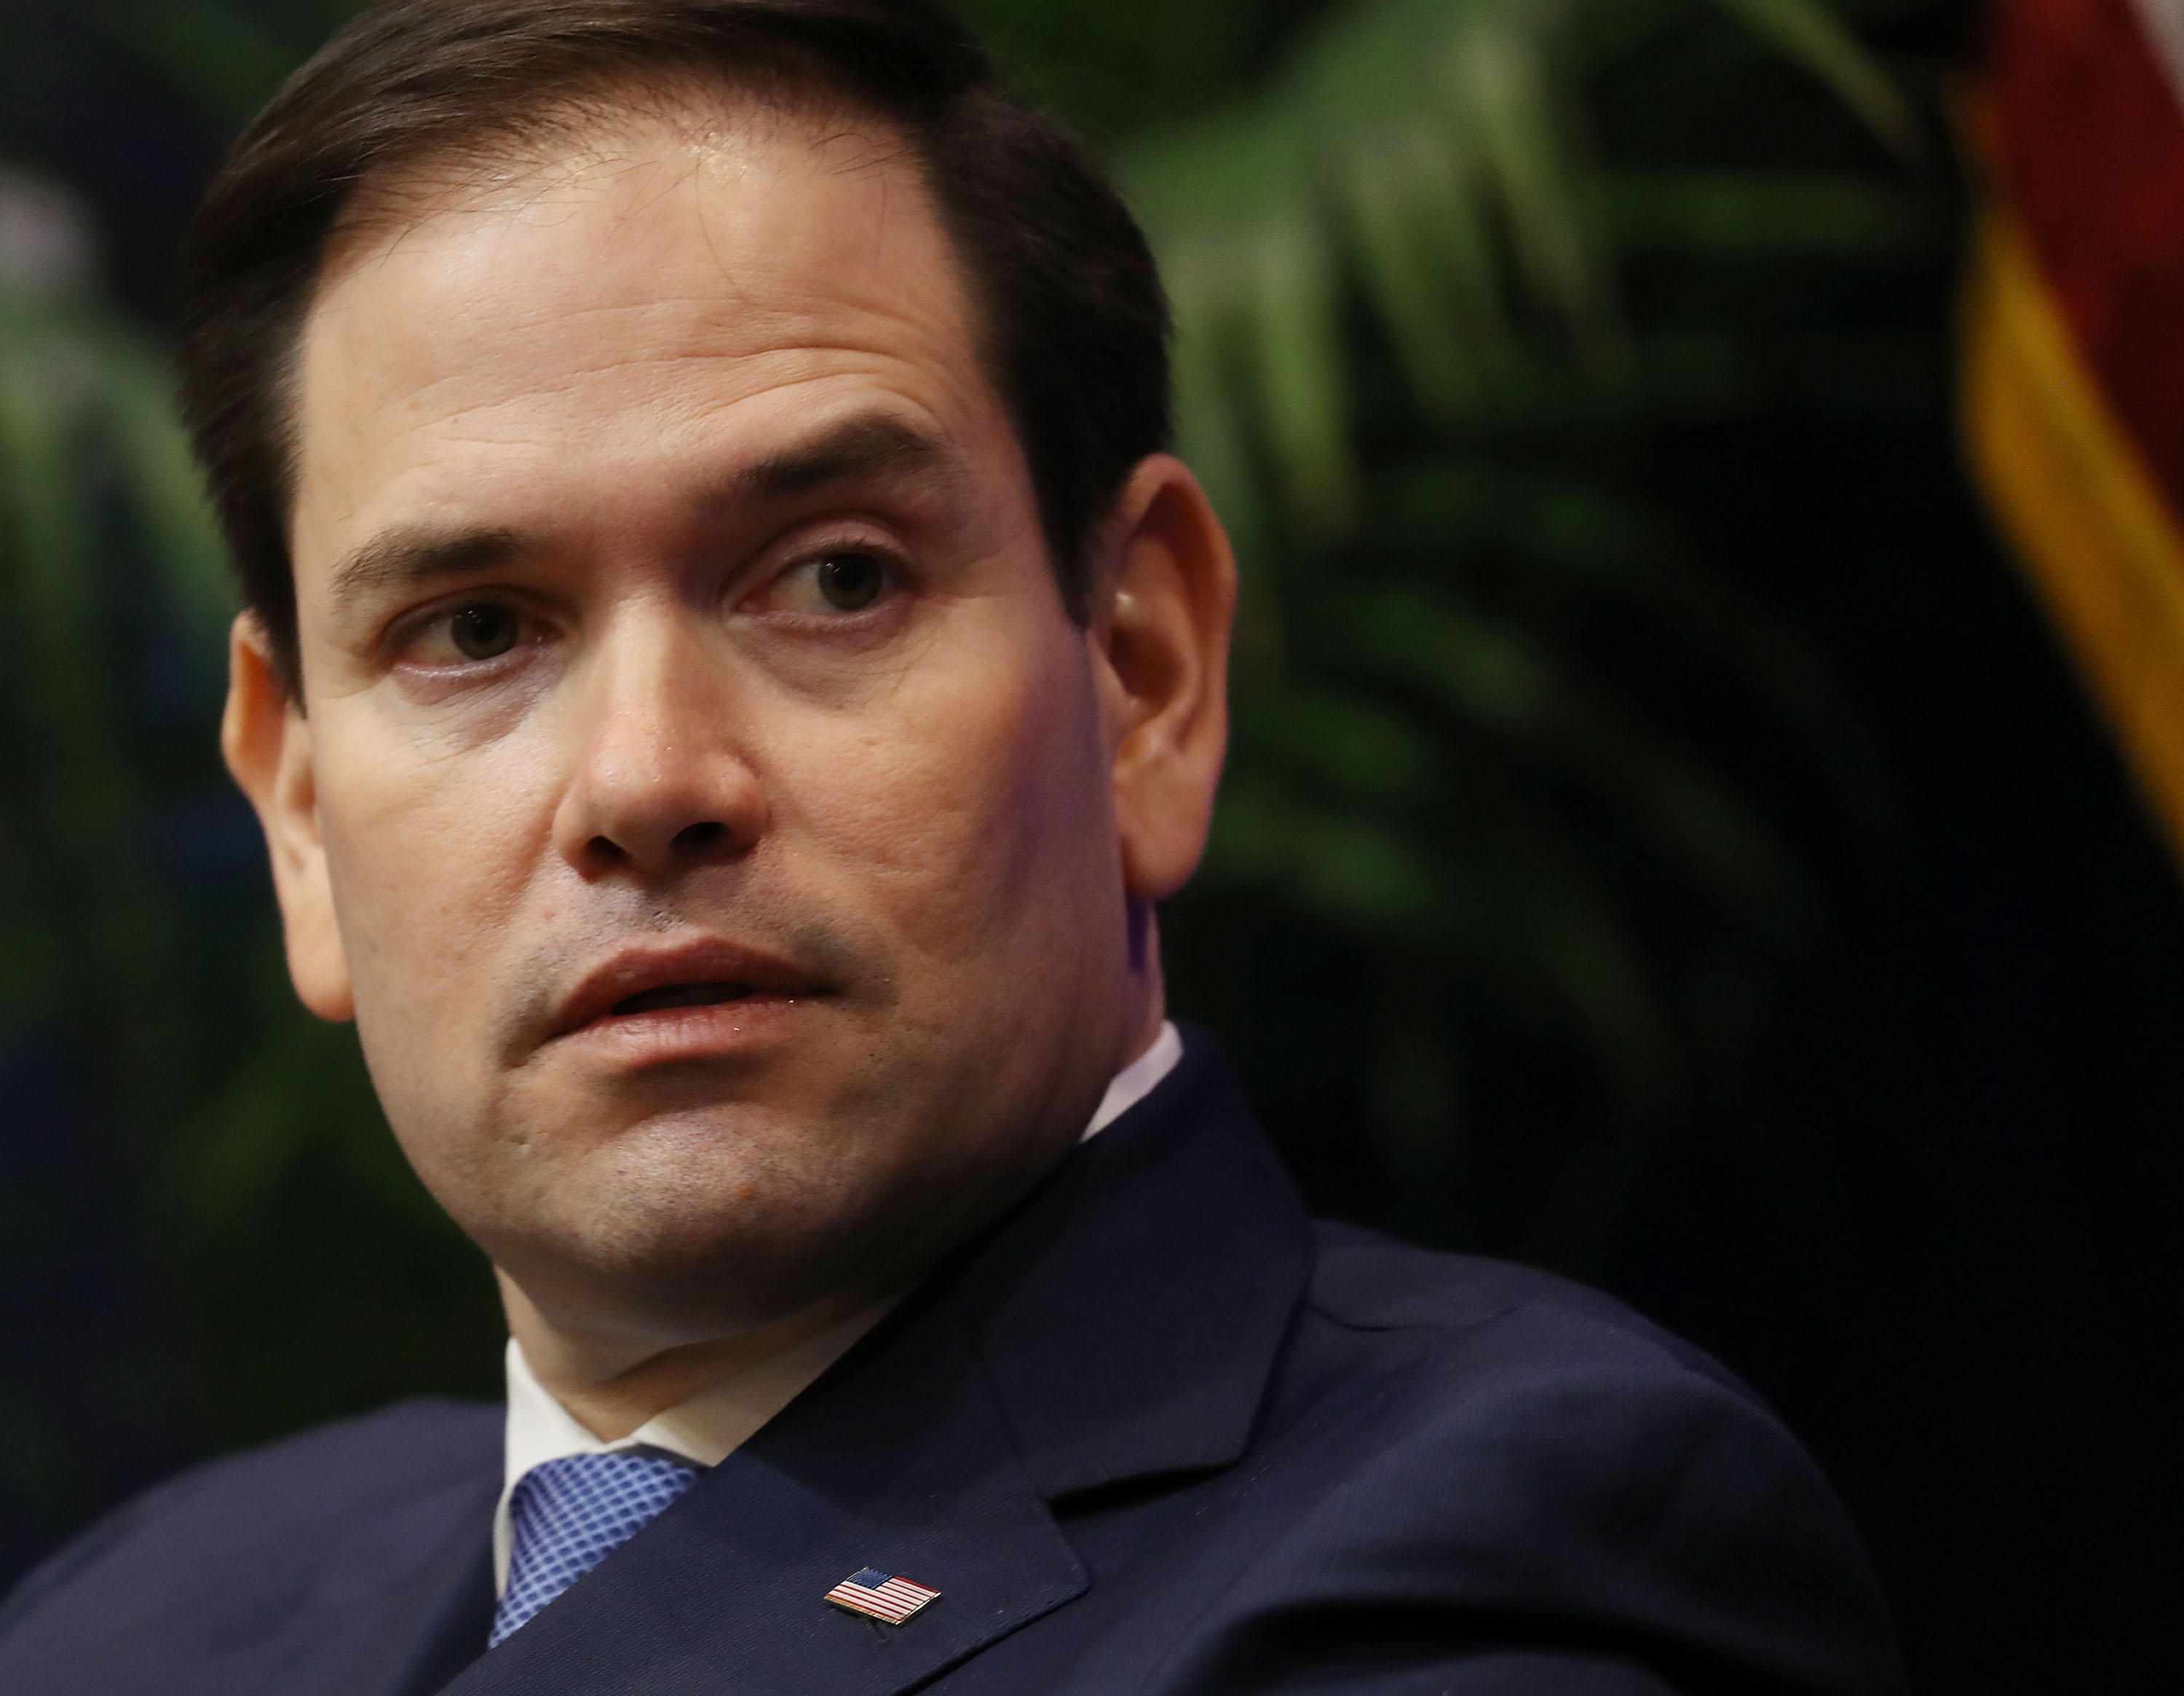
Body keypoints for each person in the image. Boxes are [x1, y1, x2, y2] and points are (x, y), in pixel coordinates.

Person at [0, 3, 1906, 1692]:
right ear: (304, 815)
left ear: (1143, 674)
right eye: (478, 630)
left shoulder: (1478, 1552)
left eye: (834, 579)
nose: (648, 778)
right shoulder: (138, 1618)